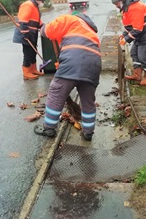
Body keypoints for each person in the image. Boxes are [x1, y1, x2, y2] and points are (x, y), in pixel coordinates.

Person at [34, 11, 101, 141]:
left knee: (56, 93)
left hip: (73, 61)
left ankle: (49, 128)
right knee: (88, 100)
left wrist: (42, 27)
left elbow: (47, 31)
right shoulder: (90, 30)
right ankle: (88, 132)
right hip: (94, 65)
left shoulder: (70, 19)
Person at [112, 0, 146, 86]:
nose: (116, 6)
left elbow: (137, 29)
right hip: (141, 35)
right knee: (134, 53)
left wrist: (126, 39)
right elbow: (130, 24)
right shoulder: (126, 8)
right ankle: (137, 75)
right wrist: (124, 34)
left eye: (116, 4)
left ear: (121, 1)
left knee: (144, 57)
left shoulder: (134, 7)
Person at [12, 0, 45, 80]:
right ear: (38, 0)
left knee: (33, 51)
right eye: (42, 1)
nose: (42, 3)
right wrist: (26, 34)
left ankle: (33, 69)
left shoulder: (34, 6)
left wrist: (43, 26)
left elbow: (36, 20)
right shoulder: (28, 5)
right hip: (25, 33)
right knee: (27, 53)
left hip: (32, 33)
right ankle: (26, 72)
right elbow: (23, 21)